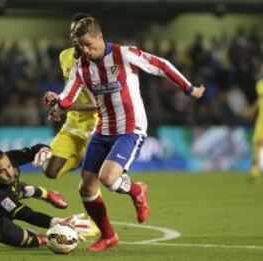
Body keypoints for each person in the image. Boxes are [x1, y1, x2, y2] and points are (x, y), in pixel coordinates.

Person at [44, 16, 205, 252]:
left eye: (90, 44)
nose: (87, 51)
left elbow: (161, 65)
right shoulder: (82, 67)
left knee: (108, 178)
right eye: (82, 47)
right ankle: (108, 236)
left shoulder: (124, 55)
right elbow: (68, 96)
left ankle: (137, 190)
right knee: (86, 189)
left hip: (131, 128)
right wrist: (56, 104)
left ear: (100, 36)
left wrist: (189, 89)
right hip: (103, 129)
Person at [0, 143, 90, 248]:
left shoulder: (8, 159)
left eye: (9, 166)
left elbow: (35, 149)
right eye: (2, 171)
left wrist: (44, 150)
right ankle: (34, 237)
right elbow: (29, 215)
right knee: (33, 241)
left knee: (24, 189)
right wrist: (57, 222)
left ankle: (46, 193)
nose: (9, 173)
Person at [43, 13, 97, 180]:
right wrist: (57, 102)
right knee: (50, 171)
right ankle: (81, 158)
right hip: (73, 121)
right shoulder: (64, 56)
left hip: (96, 123)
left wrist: (65, 106)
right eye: (73, 31)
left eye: (80, 31)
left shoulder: (97, 61)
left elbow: (101, 103)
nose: (75, 35)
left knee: (91, 179)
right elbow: (71, 89)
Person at [249, 61, 263, 183]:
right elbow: (259, 100)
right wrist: (252, 110)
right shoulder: (259, 84)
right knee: (257, 144)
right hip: (261, 120)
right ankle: (255, 172)